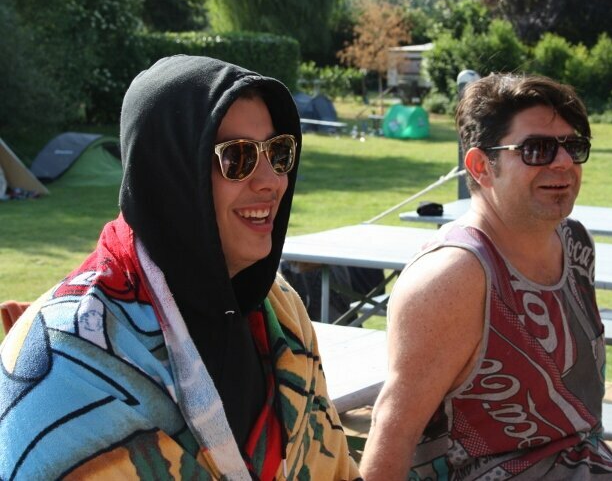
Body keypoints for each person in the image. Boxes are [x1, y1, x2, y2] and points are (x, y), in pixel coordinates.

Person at [0, 55, 360, 480]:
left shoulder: (281, 312)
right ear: (169, 174)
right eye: (237, 157)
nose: (272, 180)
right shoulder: (65, 363)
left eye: (277, 152)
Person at [360, 74, 612, 480]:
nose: (563, 162)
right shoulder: (453, 276)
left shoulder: (574, 243)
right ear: (481, 167)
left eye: (573, 147)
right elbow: (393, 432)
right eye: (537, 149)